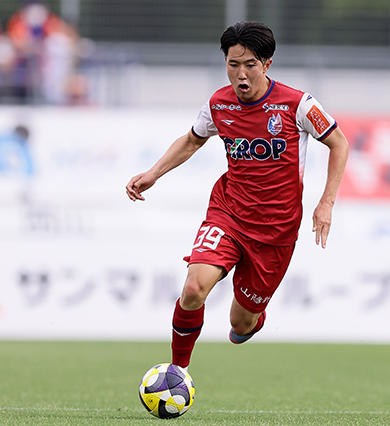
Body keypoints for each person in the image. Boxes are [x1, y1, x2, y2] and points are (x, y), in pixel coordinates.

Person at [126, 21, 349, 369]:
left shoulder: (298, 104)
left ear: (267, 65)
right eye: (233, 64)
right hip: (228, 213)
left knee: (240, 325)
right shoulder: (219, 104)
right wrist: (153, 173)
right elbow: (192, 140)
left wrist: (326, 203)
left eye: (250, 65)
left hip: (275, 230)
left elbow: (339, 143)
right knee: (194, 289)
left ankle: (253, 317)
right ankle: (177, 372)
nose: (241, 74)